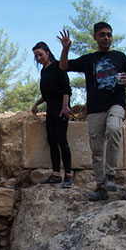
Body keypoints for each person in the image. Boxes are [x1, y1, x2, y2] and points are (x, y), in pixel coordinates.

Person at [58, 22, 126, 200]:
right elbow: (63, 66)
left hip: (116, 103)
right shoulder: (88, 60)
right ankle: (101, 188)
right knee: (97, 149)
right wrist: (66, 48)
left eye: (109, 34)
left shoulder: (120, 57)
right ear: (95, 37)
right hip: (94, 108)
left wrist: (125, 81)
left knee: (114, 129)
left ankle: (110, 175)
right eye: (102, 35)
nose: (106, 38)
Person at [31, 41, 73, 188]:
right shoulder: (44, 71)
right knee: (52, 140)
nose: (39, 58)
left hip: (61, 107)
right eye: (36, 56)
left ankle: (68, 175)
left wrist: (65, 106)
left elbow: (66, 89)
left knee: (62, 139)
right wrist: (37, 103)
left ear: (47, 53)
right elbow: (47, 93)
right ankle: (56, 174)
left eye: (40, 54)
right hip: (51, 108)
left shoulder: (58, 66)